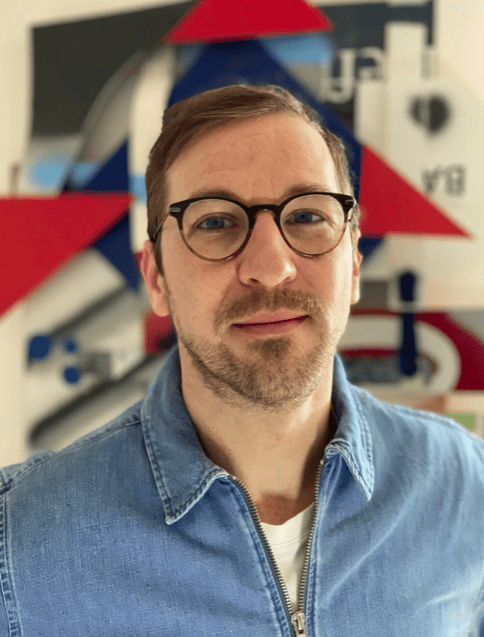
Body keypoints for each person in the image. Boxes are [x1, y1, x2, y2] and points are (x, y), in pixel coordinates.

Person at [1, 84, 483, 637]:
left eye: (307, 216)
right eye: (215, 222)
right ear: (157, 279)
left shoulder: (466, 487)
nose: (271, 267)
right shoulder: (17, 543)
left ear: (352, 265)